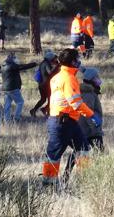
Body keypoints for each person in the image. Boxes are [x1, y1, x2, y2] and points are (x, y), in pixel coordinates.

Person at [42, 49, 101, 185]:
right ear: (73, 61)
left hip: (68, 121)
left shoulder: (58, 76)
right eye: (77, 59)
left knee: (84, 149)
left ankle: (84, 181)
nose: (79, 61)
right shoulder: (69, 79)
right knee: (54, 155)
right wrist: (92, 115)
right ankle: (48, 185)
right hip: (62, 122)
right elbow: (76, 103)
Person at [63, 67, 104, 179]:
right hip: (90, 130)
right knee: (97, 154)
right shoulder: (88, 94)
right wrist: (96, 130)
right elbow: (89, 114)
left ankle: (68, 177)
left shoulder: (87, 91)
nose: (98, 80)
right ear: (91, 80)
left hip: (85, 129)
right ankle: (89, 178)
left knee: (78, 152)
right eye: (96, 78)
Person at [1, 53, 37, 122]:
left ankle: (6, 119)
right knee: (20, 102)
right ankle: (16, 118)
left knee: (7, 105)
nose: (17, 59)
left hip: (5, 89)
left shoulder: (4, 66)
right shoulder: (11, 66)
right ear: (12, 59)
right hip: (13, 88)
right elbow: (22, 67)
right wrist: (34, 64)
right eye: (15, 58)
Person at [30, 51, 59, 117]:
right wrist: (56, 67)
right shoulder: (46, 63)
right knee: (50, 99)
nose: (54, 58)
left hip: (41, 84)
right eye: (53, 57)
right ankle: (47, 111)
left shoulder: (43, 63)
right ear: (50, 57)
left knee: (43, 99)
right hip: (46, 84)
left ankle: (34, 110)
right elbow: (50, 72)